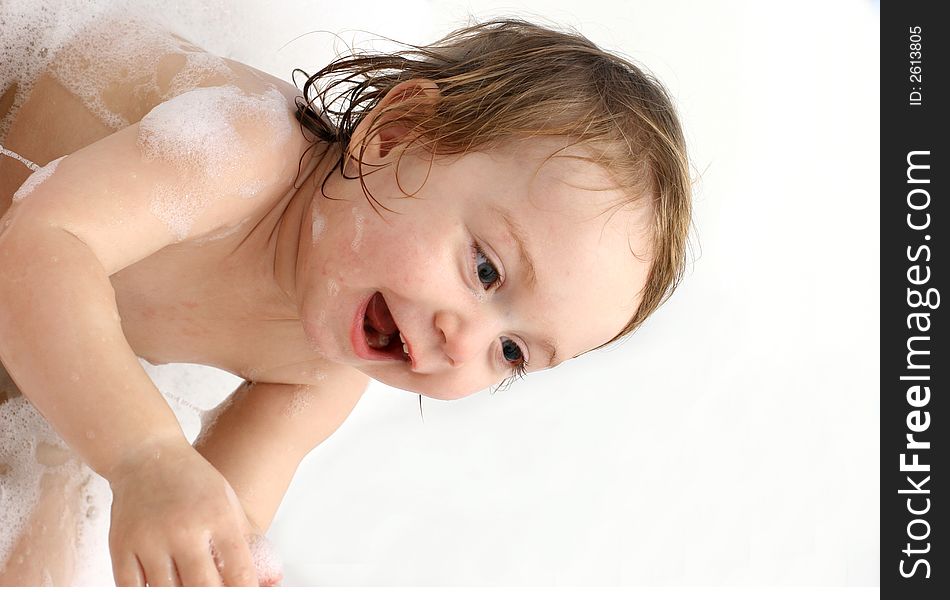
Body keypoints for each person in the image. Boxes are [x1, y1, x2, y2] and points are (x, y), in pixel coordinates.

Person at [0, 12, 691, 586]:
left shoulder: (318, 377)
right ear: (392, 137)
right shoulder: (241, 148)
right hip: (24, 225)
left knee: (49, 539)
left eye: (510, 352)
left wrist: (195, 534)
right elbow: (36, 245)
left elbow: (215, 543)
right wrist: (146, 455)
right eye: (485, 270)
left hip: (46, 344)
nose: (464, 342)